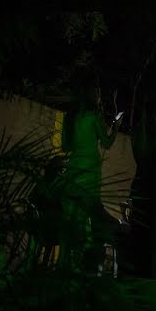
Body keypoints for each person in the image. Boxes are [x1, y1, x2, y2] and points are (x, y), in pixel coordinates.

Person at [60, 84, 122, 271]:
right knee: (86, 225)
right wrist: (116, 127)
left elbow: (65, 147)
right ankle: (82, 268)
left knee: (69, 223)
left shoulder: (69, 118)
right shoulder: (93, 116)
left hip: (72, 174)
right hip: (89, 177)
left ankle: (63, 265)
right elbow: (107, 143)